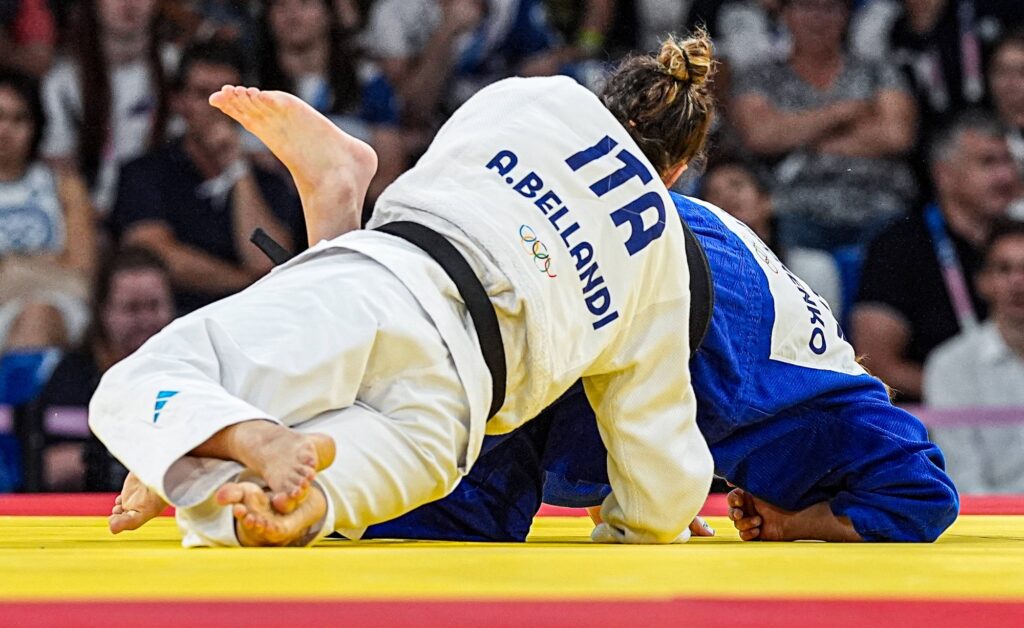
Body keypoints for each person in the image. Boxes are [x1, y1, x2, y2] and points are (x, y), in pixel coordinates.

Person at [94, 32, 717, 547]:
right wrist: (639, 523)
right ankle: (304, 497)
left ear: (608, 102)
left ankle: (227, 429)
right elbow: (657, 447)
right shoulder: (663, 249)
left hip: (388, 283)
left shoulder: (540, 99)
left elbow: (441, 173)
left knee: (130, 385)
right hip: (454, 413)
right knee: (250, 517)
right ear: (677, 173)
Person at [362, 185, 960, 544]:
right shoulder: (837, 415)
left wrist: (649, 490)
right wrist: (794, 524)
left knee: (437, 366)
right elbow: (924, 495)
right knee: (470, 507)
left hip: (637, 227)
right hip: (677, 305)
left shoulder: (809, 344)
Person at [109, 41, 302, 313]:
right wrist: (248, 283)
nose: (217, 108)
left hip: (253, 320)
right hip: (171, 320)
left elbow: (269, 261)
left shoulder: (269, 181)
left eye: (229, 97)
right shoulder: (144, 173)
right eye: (203, 94)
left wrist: (238, 169)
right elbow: (155, 257)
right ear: (179, 102)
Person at [854, 110, 1020, 401]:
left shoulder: (1018, 238)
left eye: (1008, 161)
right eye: (988, 162)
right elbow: (876, 363)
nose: (1006, 176)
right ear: (944, 175)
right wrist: (966, 394)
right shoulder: (898, 245)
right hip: (935, 420)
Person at [731, 0, 917, 251]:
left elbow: (897, 136)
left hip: (879, 204)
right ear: (785, 14)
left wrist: (798, 133)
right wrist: (844, 112)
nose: (818, 18)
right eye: (807, 7)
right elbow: (760, 136)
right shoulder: (760, 77)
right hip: (796, 210)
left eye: (830, 7)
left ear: (846, 15)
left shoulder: (878, 71)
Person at [35, 246, 176, 491]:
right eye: (131, 308)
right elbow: (49, 466)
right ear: (103, 311)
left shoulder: (192, 371)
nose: (145, 320)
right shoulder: (72, 376)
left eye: (154, 306)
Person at [923, 219, 1024, 494]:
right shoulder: (949, 365)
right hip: (990, 525)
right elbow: (962, 478)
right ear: (983, 282)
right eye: (1004, 269)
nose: (1018, 282)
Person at [40, 0, 169, 213]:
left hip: (158, 210)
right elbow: (59, 167)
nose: (129, 4)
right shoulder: (62, 82)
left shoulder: (174, 70)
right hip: (87, 211)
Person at [0, 68, 96, 354]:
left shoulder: (64, 186)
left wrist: (10, 268)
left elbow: (81, 273)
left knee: (37, 315)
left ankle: (14, 399)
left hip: (57, 305)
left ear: (36, 126)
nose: (5, 130)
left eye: (18, 119)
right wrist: (45, 262)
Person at [700, 157, 843, 317]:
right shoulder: (707, 276)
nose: (727, 197)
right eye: (715, 193)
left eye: (737, 185)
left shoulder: (813, 267)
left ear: (765, 199)